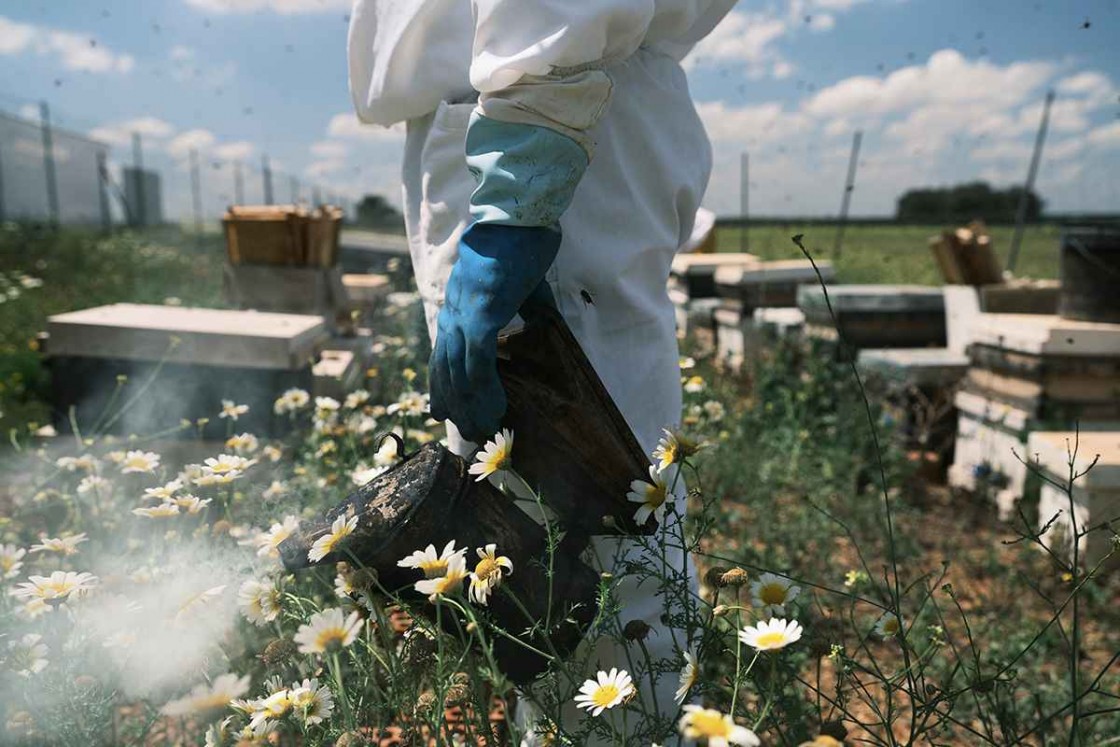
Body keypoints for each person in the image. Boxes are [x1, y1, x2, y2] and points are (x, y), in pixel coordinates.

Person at [348, 1, 735, 742]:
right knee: (527, 547)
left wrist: (518, 201)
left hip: (551, 114)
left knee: (600, 536)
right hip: (518, 110)